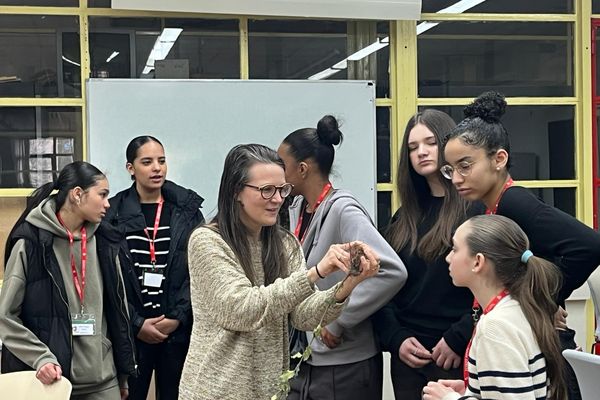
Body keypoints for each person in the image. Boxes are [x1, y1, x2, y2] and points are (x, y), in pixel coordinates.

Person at [179, 143, 381, 400]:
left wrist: (349, 284)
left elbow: (304, 316)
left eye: (282, 189)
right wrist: (314, 273)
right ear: (235, 192)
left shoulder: (285, 243)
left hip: (270, 393)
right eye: (266, 190)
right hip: (215, 391)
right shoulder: (208, 241)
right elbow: (240, 309)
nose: (277, 199)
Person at [441, 90, 600, 400]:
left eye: (465, 166)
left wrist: (540, 297)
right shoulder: (485, 207)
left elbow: (589, 246)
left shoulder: (515, 202)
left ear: (499, 159)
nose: (456, 178)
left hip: (546, 342)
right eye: (450, 170)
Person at [278, 115, 407, 400]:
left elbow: (390, 270)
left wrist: (338, 321)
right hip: (308, 359)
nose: (277, 174)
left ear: (301, 169)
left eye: (281, 165)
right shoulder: (299, 208)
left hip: (345, 363)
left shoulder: (343, 210)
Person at [0, 161, 136, 400]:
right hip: (51, 382)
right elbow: (5, 315)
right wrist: (40, 357)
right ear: (77, 194)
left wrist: (122, 373)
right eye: (102, 195)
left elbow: (119, 311)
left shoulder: (106, 240)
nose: (107, 204)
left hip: (103, 380)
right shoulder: (30, 243)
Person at [372, 110, 482, 400]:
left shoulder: (475, 211)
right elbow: (381, 288)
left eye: (430, 143)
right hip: (409, 359)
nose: (421, 152)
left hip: (458, 357)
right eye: (412, 147)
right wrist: (396, 338)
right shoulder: (403, 219)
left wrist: (459, 337)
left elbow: (499, 288)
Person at [422, 214, 566, 400]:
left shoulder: (495, 326)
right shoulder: (518, 308)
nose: (448, 258)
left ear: (478, 262)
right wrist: (472, 390)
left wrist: (449, 399)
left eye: (455, 249)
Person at [104, 135, 204, 400]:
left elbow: (200, 270)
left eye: (161, 161)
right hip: (133, 332)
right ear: (130, 168)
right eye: (147, 162)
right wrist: (137, 323)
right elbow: (108, 277)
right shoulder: (111, 214)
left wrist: (179, 317)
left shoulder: (187, 209)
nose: (157, 168)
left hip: (177, 329)